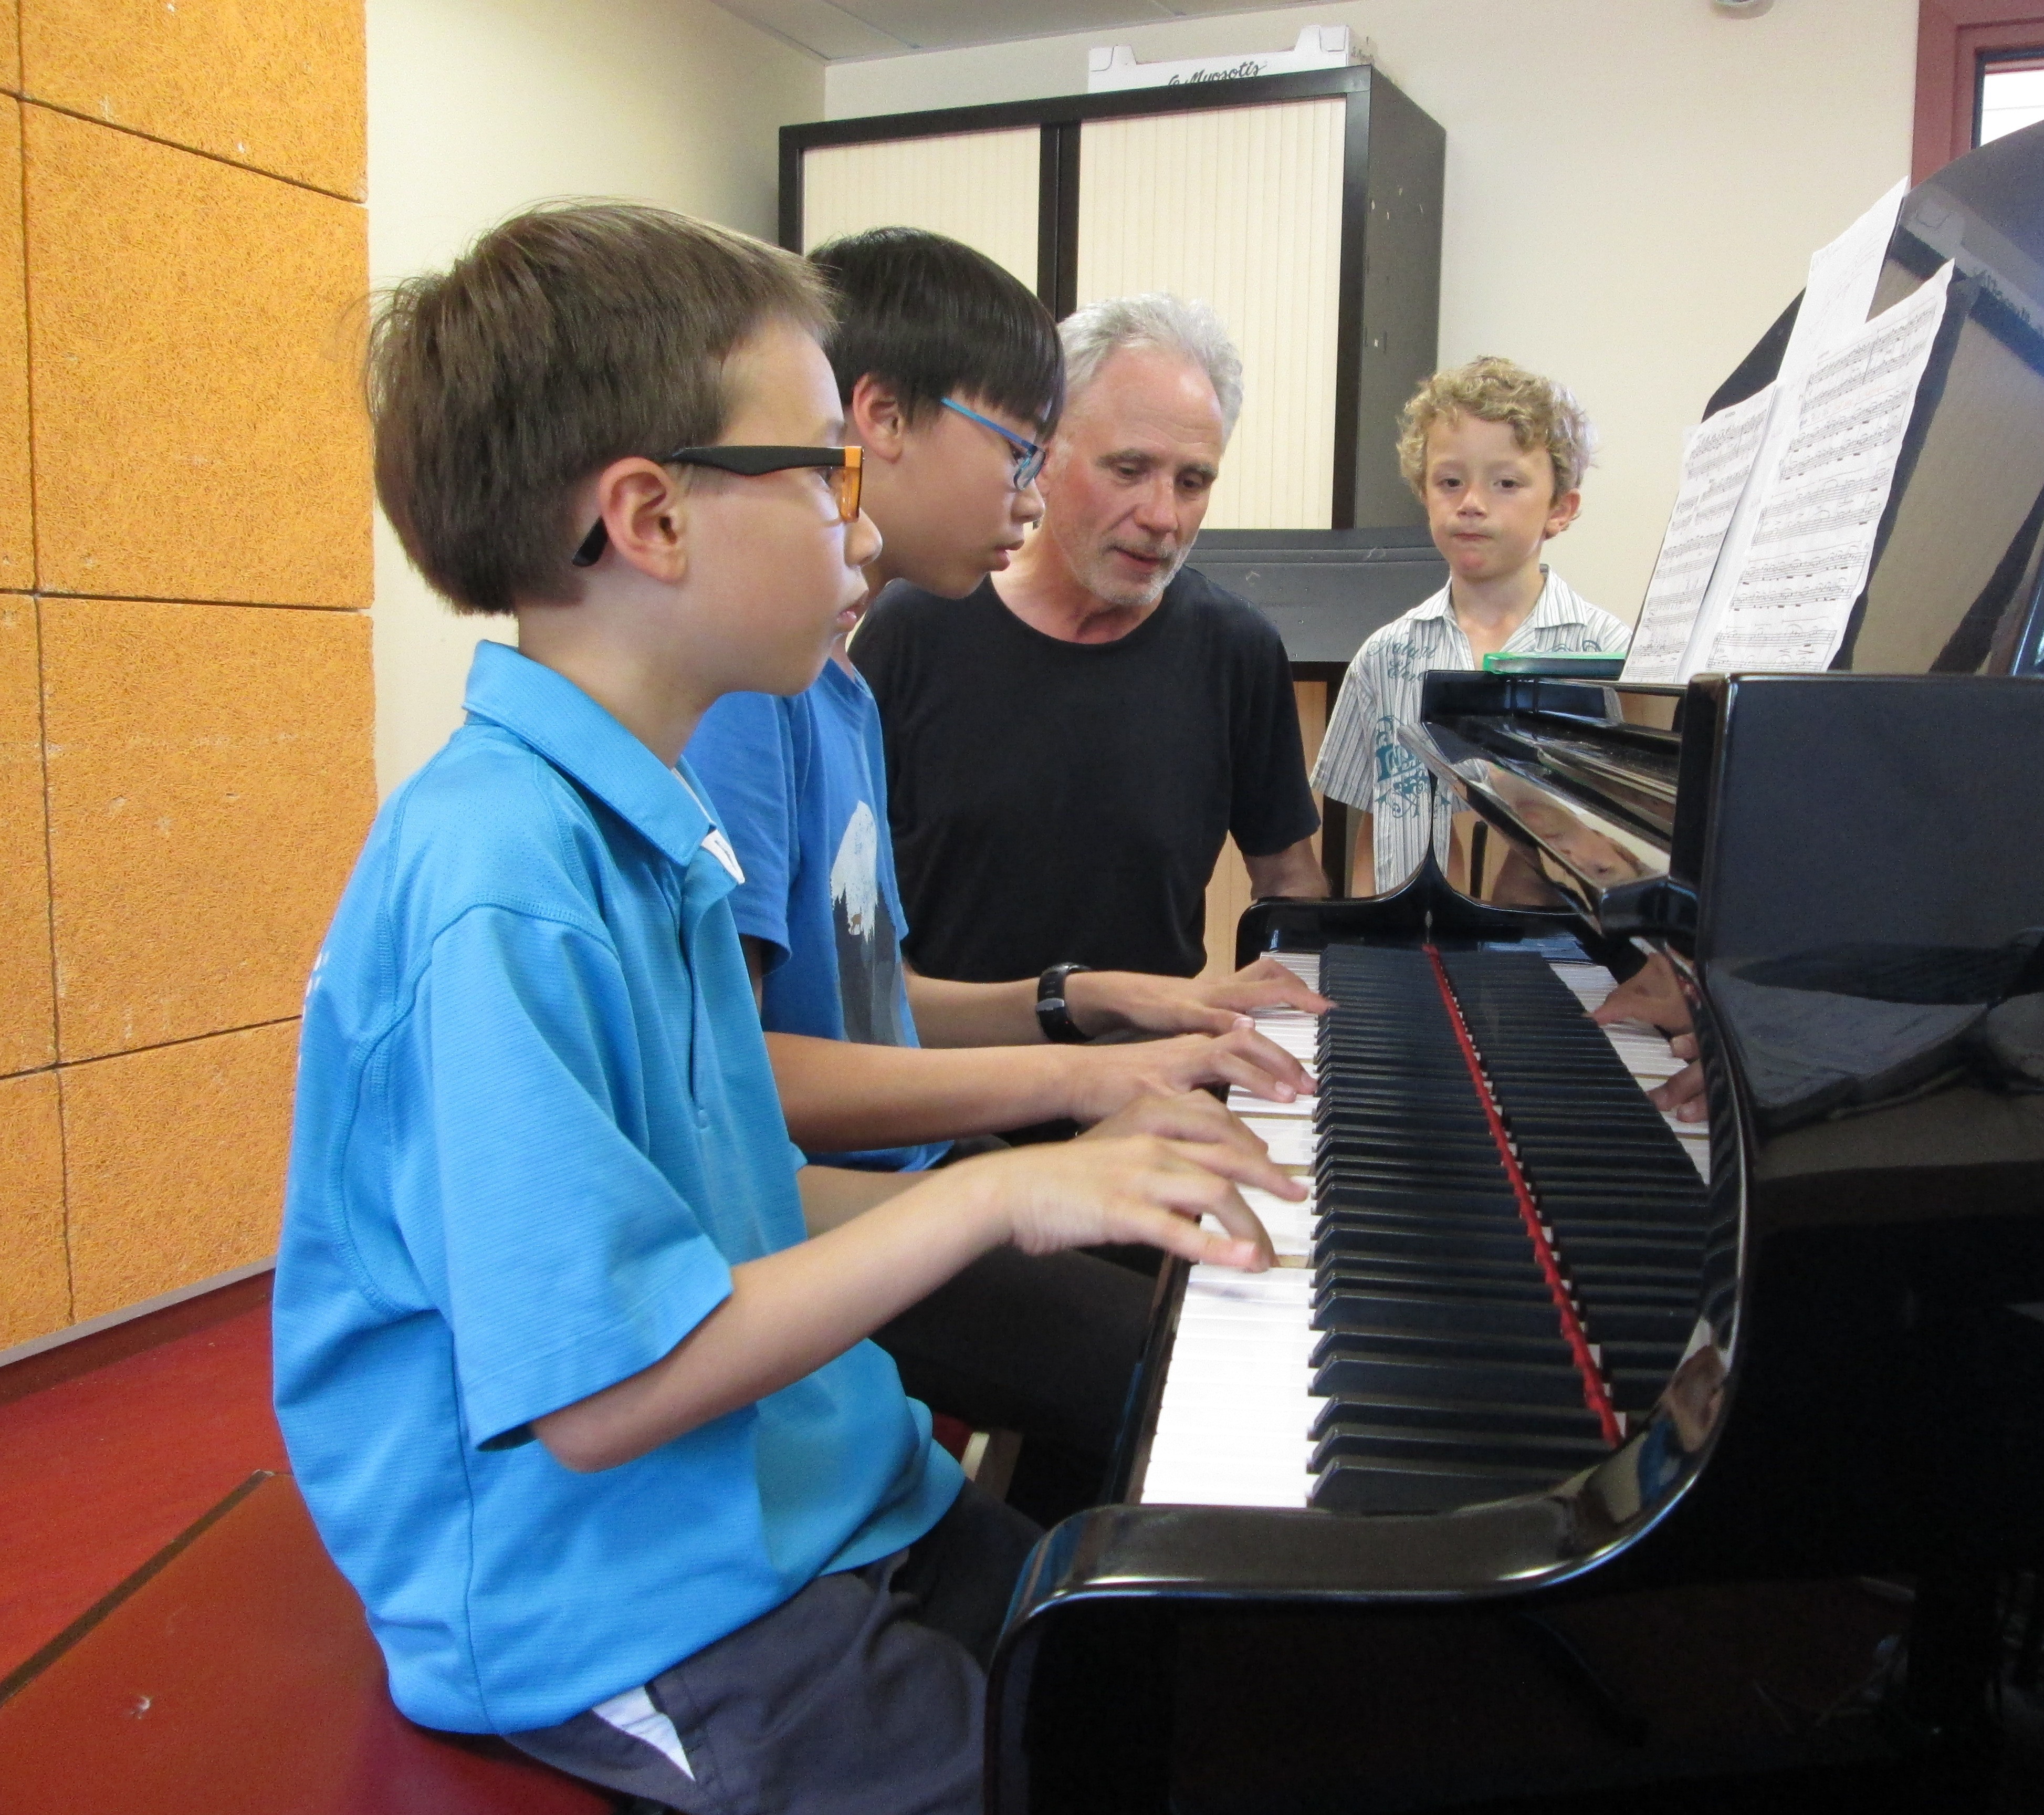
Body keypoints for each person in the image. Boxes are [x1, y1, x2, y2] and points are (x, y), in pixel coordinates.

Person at [273, 202, 1294, 1815]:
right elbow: (605, 1392)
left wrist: (1049, 1162)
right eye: (828, 470)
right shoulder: (500, 881)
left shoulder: (645, 818)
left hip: (820, 1487)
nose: (866, 531)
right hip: (627, 1601)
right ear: (652, 520)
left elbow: (733, 1193)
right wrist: (1008, 1190)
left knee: (1195, 1683)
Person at [680, 230, 1327, 1511]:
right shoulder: (767, 691)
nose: (1028, 496)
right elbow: (741, 1090)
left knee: (1228, 1275)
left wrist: (1094, 1002)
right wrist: (1067, 1094)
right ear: (880, 423)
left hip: (917, 1152)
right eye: (1024, 451)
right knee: (1206, 1356)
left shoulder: (838, 685)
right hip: (839, 1203)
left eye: (1191, 477)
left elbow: (874, 998)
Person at [852, 293, 1327, 987]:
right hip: (942, 1081)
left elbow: (1290, 888)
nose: (1164, 516)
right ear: (1042, 454)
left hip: (1154, 1080)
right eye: (1128, 470)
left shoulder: (1238, 651)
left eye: (1192, 482)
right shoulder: (915, 625)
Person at [1312, 354, 1629, 900]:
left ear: (1561, 509)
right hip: (1414, 951)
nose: (1472, 504)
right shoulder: (1383, 656)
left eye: (1506, 483)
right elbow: (1374, 832)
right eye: (1450, 482)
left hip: (1555, 952)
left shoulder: (1615, 657)